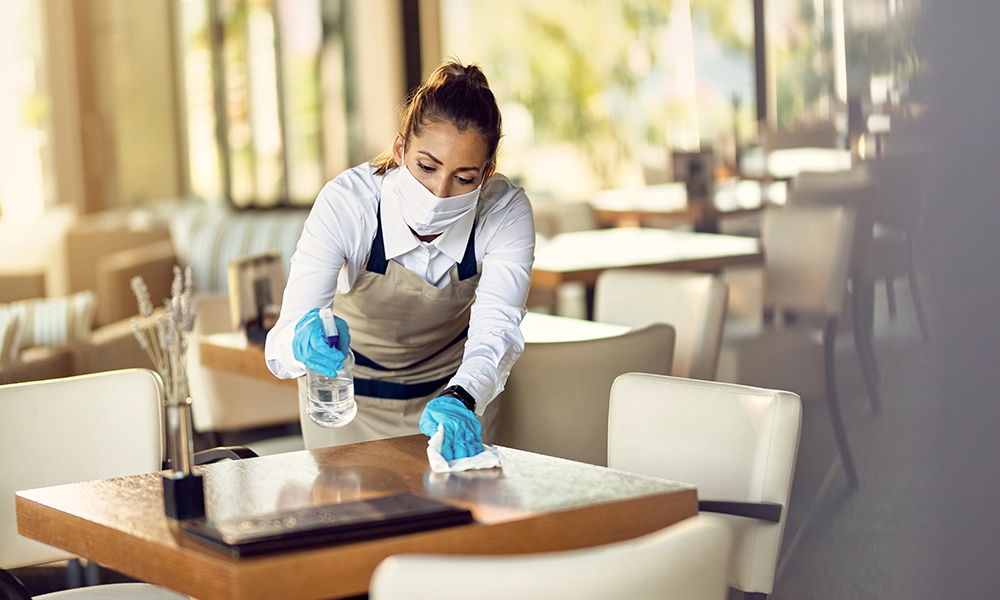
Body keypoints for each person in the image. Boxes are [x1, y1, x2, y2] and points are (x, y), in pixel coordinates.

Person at [264, 60, 535, 461]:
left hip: (453, 400)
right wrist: (302, 344)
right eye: (426, 166)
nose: (439, 192)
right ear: (400, 148)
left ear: (487, 173)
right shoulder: (348, 205)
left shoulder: (504, 213)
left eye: (464, 178)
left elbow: (497, 329)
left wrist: (464, 397)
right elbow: (281, 344)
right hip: (349, 407)